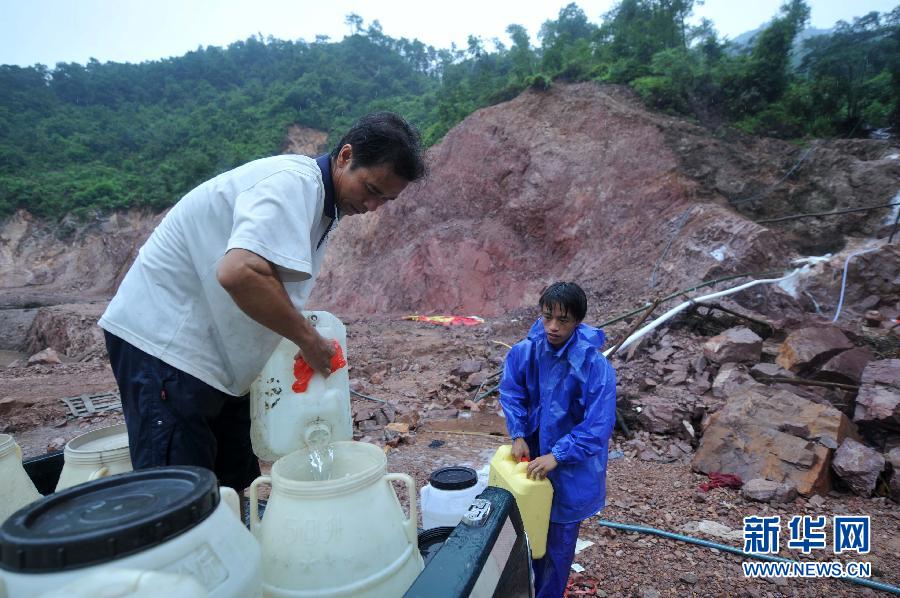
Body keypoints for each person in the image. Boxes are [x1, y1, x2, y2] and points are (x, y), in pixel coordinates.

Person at [99, 111, 425, 492]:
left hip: (219, 364)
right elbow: (239, 272)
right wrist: (308, 340)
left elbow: (266, 286)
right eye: (371, 190)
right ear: (345, 156)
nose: (372, 206)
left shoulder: (322, 203)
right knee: (179, 500)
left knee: (234, 485)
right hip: (166, 349)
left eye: (385, 200)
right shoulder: (292, 185)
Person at [498, 282, 617, 598]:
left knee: (558, 545)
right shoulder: (528, 350)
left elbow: (598, 426)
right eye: (547, 316)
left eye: (562, 320)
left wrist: (559, 455)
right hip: (533, 456)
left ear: (578, 321)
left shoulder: (595, 366)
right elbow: (512, 390)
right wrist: (519, 433)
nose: (552, 326)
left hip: (571, 471)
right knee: (526, 530)